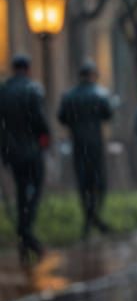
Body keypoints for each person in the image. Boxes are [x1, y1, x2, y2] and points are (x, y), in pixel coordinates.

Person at [0, 54, 50, 266]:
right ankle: (26, 232)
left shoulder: (4, 91)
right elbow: (39, 120)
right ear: (28, 69)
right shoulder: (32, 89)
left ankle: (24, 236)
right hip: (31, 150)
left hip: (13, 152)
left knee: (22, 192)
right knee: (35, 192)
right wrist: (45, 139)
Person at [58, 59, 114, 238]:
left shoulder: (69, 96)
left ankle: (89, 219)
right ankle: (94, 217)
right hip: (95, 145)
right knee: (99, 183)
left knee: (83, 184)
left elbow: (62, 118)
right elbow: (108, 114)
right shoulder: (100, 94)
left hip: (78, 145)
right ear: (92, 75)